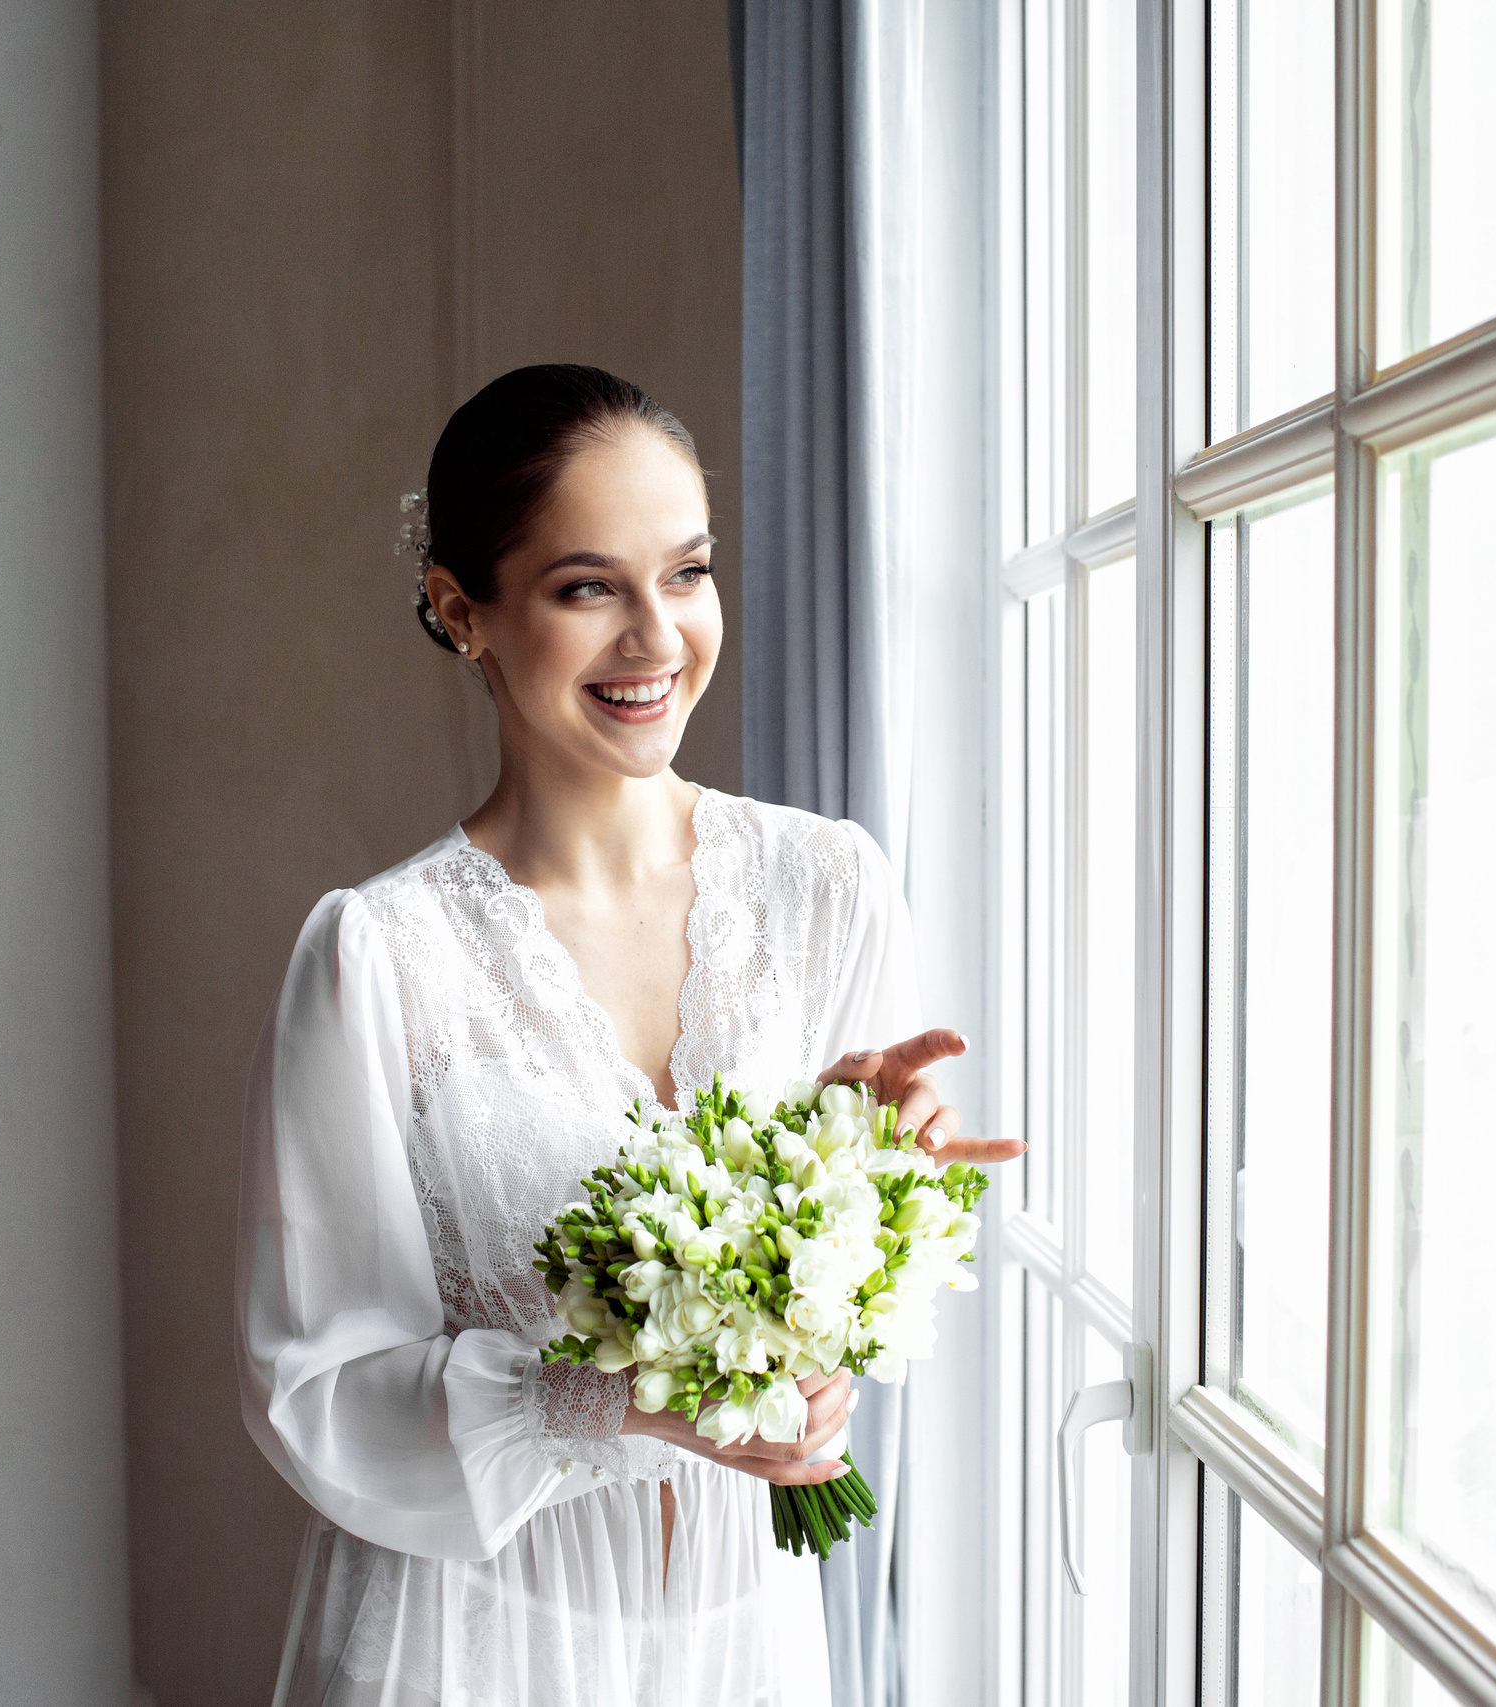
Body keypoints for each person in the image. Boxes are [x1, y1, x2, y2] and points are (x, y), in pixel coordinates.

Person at [236, 364, 1020, 1706]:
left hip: (746, 1639)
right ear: (458, 608)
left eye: (689, 572)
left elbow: (838, 1315)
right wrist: (614, 1400)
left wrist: (868, 1181)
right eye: (588, 586)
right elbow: (315, 1387)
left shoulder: (828, 888)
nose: (657, 638)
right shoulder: (378, 957)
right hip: (472, 1643)